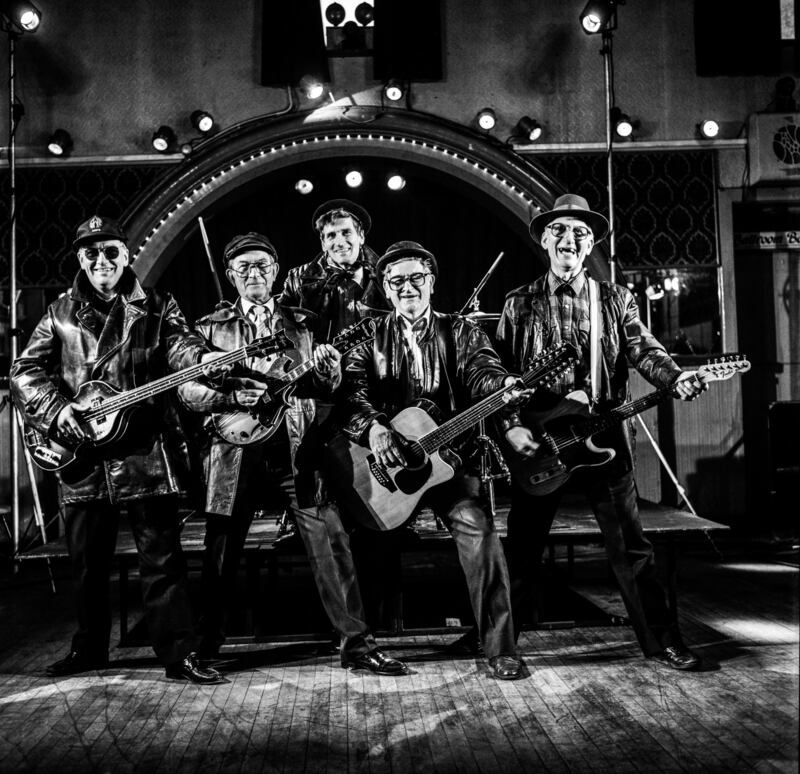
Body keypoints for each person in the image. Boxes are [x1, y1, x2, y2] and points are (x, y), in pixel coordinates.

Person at [177, 232, 409, 676]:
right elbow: (188, 391)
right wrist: (230, 398)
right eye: (244, 266)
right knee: (220, 552)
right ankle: (203, 649)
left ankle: (357, 645)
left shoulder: (302, 324)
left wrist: (331, 370)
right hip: (233, 452)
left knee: (331, 541)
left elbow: (325, 387)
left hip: (295, 451)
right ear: (230, 274)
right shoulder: (209, 328)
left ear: (276, 271)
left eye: (262, 265)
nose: (254, 273)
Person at [495, 193, 707, 671]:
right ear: (544, 240)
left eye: (580, 232)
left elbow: (643, 349)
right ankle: (500, 646)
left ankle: (663, 641)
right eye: (560, 230)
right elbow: (501, 377)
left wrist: (675, 377)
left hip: (604, 436)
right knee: (523, 548)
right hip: (544, 440)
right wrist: (511, 427)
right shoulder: (518, 303)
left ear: (589, 244)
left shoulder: (614, 298)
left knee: (631, 548)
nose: (569, 239)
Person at [11, 214, 225, 683]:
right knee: (87, 565)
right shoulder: (59, 312)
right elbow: (24, 371)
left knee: (162, 559)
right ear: (80, 258)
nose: (102, 260)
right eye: (91, 252)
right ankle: (89, 649)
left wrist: (204, 358)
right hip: (82, 454)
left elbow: (182, 346)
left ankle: (179, 654)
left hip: (144, 451)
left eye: (111, 251)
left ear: (126, 255)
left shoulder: (158, 305)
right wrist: (56, 411)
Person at [339, 240, 528, 680]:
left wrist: (501, 386)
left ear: (431, 282)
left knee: (480, 535)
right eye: (396, 281)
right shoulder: (369, 334)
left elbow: (483, 371)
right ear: (385, 287)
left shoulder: (460, 331)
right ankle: (362, 647)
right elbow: (350, 391)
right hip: (387, 470)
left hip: (450, 463)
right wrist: (374, 427)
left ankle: (500, 649)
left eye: (416, 278)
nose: (407, 287)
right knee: (362, 541)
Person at [278, 198, 388, 343]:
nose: (340, 242)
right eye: (331, 235)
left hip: (375, 357)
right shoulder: (297, 279)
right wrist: (312, 349)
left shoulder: (387, 276)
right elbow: (280, 327)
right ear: (323, 243)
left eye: (346, 232)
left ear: (361, 236)